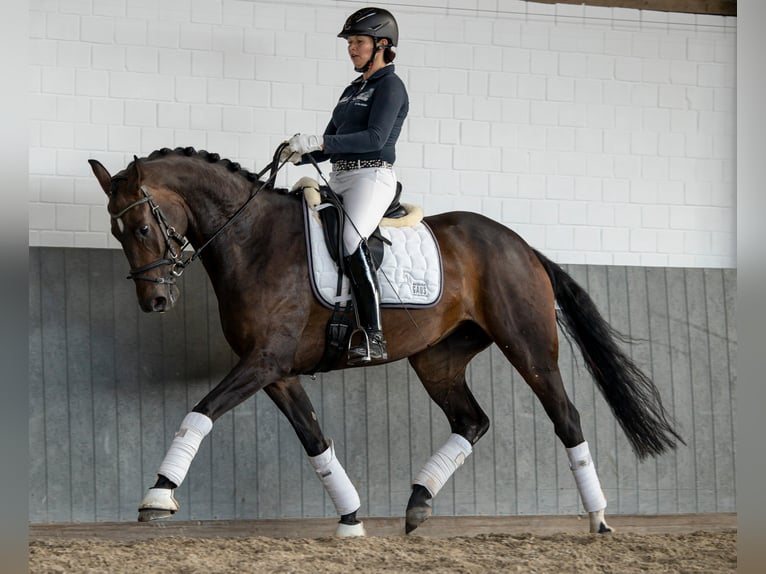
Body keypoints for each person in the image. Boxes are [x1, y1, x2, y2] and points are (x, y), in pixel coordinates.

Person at [282, 7, 409, 365]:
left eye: (358, 42)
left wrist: (320, 144)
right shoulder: (352, 89)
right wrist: (300, 153)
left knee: (351, 239)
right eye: (350, 43)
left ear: (381, 44)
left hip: (372, 176)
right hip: (339, 176)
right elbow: (330, 142)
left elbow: (374, 137)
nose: (352, 49)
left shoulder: (391, 86)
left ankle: (373, 334)